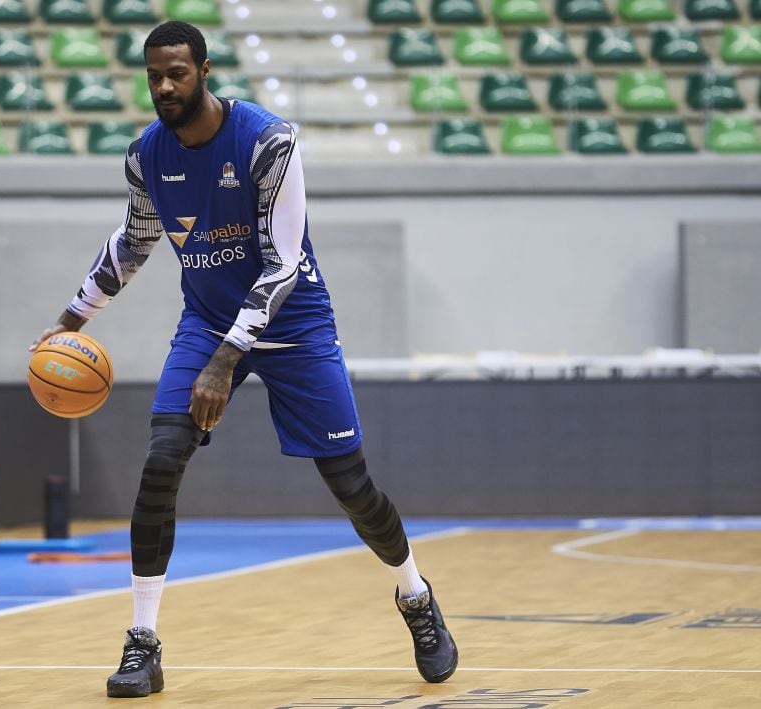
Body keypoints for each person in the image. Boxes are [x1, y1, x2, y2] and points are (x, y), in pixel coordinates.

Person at [29, 20, 458, 699]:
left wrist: (226, 360)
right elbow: (134, 243)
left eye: (176, 72)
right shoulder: (146, 154)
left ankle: (415, 595)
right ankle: (143, 642)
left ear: (204, 70)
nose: (164, 86)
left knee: (353, 487)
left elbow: (283, 263)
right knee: (161, 461)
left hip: (294, 323)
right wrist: (70, 318)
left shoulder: (268, 140)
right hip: (206, 321)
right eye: (153, 76)